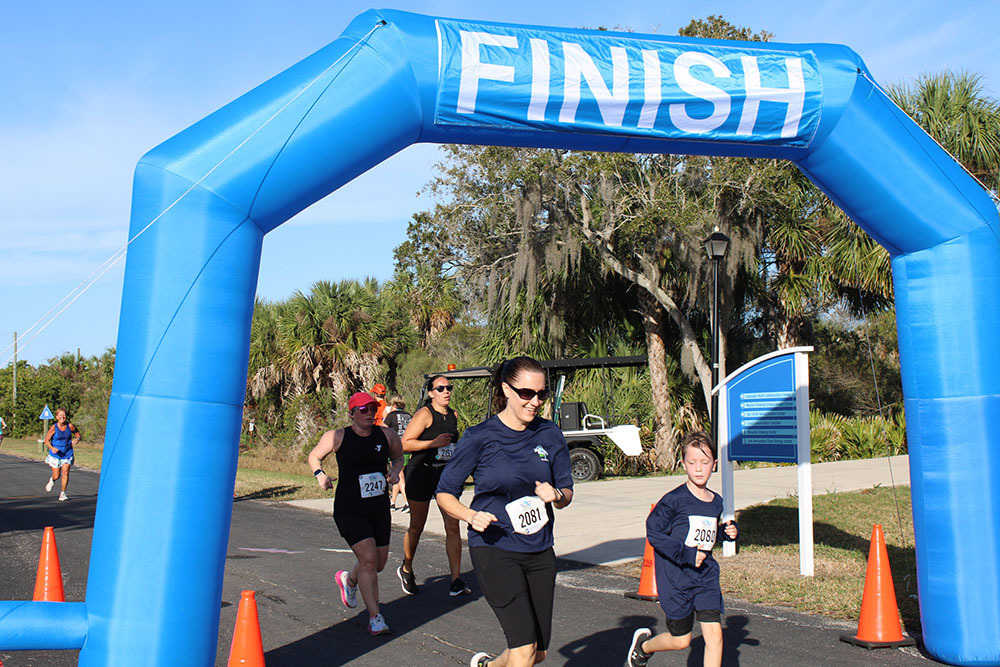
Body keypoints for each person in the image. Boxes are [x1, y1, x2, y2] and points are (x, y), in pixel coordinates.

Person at [437, 356, 574, 667]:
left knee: (535, 653)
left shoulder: (549, 434)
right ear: (507, 390)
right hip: (495, 547)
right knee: (524, 650)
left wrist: (556, 495)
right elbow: (445, 493)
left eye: (542, 394)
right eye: (527, 393)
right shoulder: (481, 436)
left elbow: (566, 493)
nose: (535, 401)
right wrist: (470, 516)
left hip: (539, 551)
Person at [625, 431, 738, 667]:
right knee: (680, 640)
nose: (699, 469)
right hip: (676, 578)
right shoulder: (674, 500)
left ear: (714, 465)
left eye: (705, 462)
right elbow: (654, 532)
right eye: (693, 462)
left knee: (715, 636)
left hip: (705, 576)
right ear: (683, 464)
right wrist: (686, 554)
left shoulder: (716, 501)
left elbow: (709, 535)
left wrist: (729, 533)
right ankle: (643, 648)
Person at [306, 391, 404, 636]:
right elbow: (314, 456)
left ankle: (349, 580)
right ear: (352, 414)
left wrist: (395, 472)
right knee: (369, 560)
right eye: (364, 410)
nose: (370, 414)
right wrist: (320, 475)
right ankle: (375, 618)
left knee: (378, 564)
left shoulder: (387, 435)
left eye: (372, 409)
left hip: (378, 508)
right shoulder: (338, 437)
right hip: (349, 509)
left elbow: (399, 457)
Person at [398, 375, 471, 597]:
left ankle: (456, 580)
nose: (446, 391)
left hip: (444, 475)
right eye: (441, 388)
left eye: (449, 388)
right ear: (431, 393)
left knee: (452, 524)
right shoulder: (424, 414)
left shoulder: (453, 415)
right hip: (420, 473)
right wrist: (432, 443)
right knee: (417, 526)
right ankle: (406, 569)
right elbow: (404, 444)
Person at [44, 408, 81, 502]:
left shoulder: (70, 426)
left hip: (67, 453)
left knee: (65, 473)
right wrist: (52, 448)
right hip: (56, 454)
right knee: (57, 475)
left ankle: (63, 493)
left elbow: (78, 434)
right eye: (60, 415)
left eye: (63, 415)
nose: (62, 417)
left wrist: (77, 440)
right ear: (56, 417)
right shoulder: (54, 427)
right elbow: (46, 441)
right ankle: (52, 480)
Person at [383, 395, 412, 512]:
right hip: (407, 447)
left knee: (399, 475)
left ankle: (407, 502)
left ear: (394, 405)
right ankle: (392, 503)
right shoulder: (409, 416)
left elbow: (383, 429)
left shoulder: (391, 416)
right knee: (398, 474)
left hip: (395, 448)